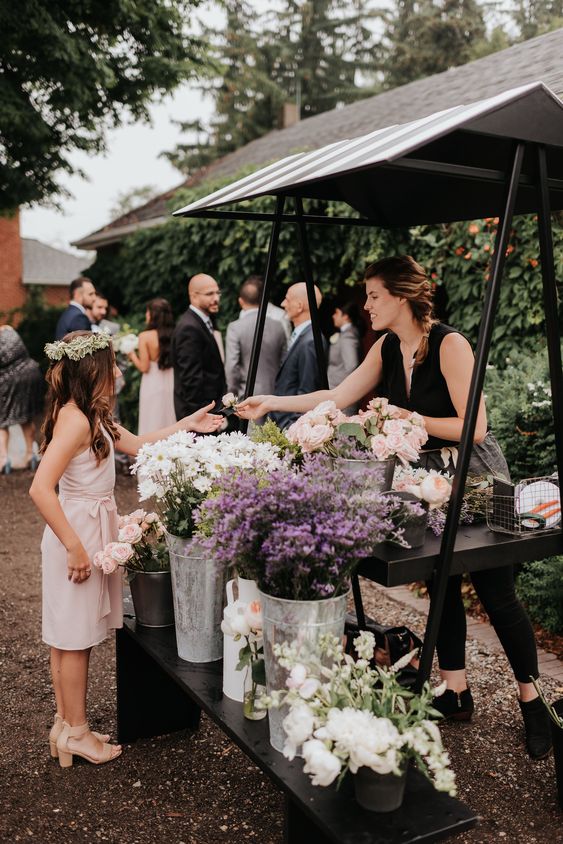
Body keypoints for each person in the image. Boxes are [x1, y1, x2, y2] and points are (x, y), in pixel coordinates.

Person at [237, 255, 551, 760]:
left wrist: (407, 416)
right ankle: (456, 691)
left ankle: (534, 704)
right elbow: (338, 395)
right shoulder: (386, 346)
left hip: (478, 478)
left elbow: (475, 428)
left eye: (375, 296)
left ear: (402, 296)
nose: (367, 305)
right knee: (440, 580)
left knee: (498, 593)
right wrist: (272, 401)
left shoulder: (450, 344)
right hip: (429, 482)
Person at [29, 330, 222, 768]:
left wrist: (186, 425)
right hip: (75, 535)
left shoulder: (91, 413)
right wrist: (76, 548)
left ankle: (66, 724)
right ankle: (77, 734)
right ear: (92, 369)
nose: (119, 371)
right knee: (74, 639)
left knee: (67, 639)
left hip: (85, 530)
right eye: (111, 364)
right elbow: (40, 489)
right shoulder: (78, 420)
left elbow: (137, 444)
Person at [269, 282, 328, 430]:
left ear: (300, 306)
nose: (283, 304)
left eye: (287, 299)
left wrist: (293, 429)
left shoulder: (310, 341)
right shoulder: (303, 335)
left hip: (290, 424)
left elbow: (308, 390)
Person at [171, 273, 226, 420]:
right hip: (197, 415)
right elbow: (191, 379)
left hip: (209, 410)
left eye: (217, 293)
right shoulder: (189, 328)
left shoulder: (202, 321)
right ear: (194, 296)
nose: (216, 298)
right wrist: (202, 416)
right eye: (209, 294)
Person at [225, 278, 287, 408]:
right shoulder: (278, 326)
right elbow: (285, 362)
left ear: (241, 301)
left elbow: (232, 366)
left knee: (251, 429)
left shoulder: (235, 327)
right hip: (277, 396)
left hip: (247, 396)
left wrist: (232, 395)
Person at [127, 298, 176, 435]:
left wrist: (132, 355)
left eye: (147, 312)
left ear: (152, 315)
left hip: (152, 382)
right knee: (170, 416)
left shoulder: (145, 336)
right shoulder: (175, 333)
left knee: (152, 418)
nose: (146, 315)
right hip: (172, 380)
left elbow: (144, 367)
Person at [0, 325, 44, 472]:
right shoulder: (8, 329)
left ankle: (4, 459)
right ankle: (30, 455)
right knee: (27, 417)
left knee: (2, 421)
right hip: (31, 373)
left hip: (9, 380)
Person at [327, 300, 363, 415]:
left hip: (342, 395)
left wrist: (343, 391)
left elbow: (351, 365)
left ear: (345, 316)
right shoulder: (346, 334)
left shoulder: (348, 336)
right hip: (338, 393)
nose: (333, 316)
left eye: (336, 313)